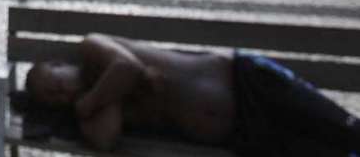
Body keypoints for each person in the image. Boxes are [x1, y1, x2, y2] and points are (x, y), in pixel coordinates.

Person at [25, 34, 360, 155]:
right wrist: (97, 100)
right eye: (53, 98)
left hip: (248, 83)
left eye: (54, 82)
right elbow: (104, 140)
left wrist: (97, 97)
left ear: (59, 63)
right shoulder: (91, 106)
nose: (61, 93)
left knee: (344, 130)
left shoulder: (92, 48)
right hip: (243, 133)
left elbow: (127, 67)